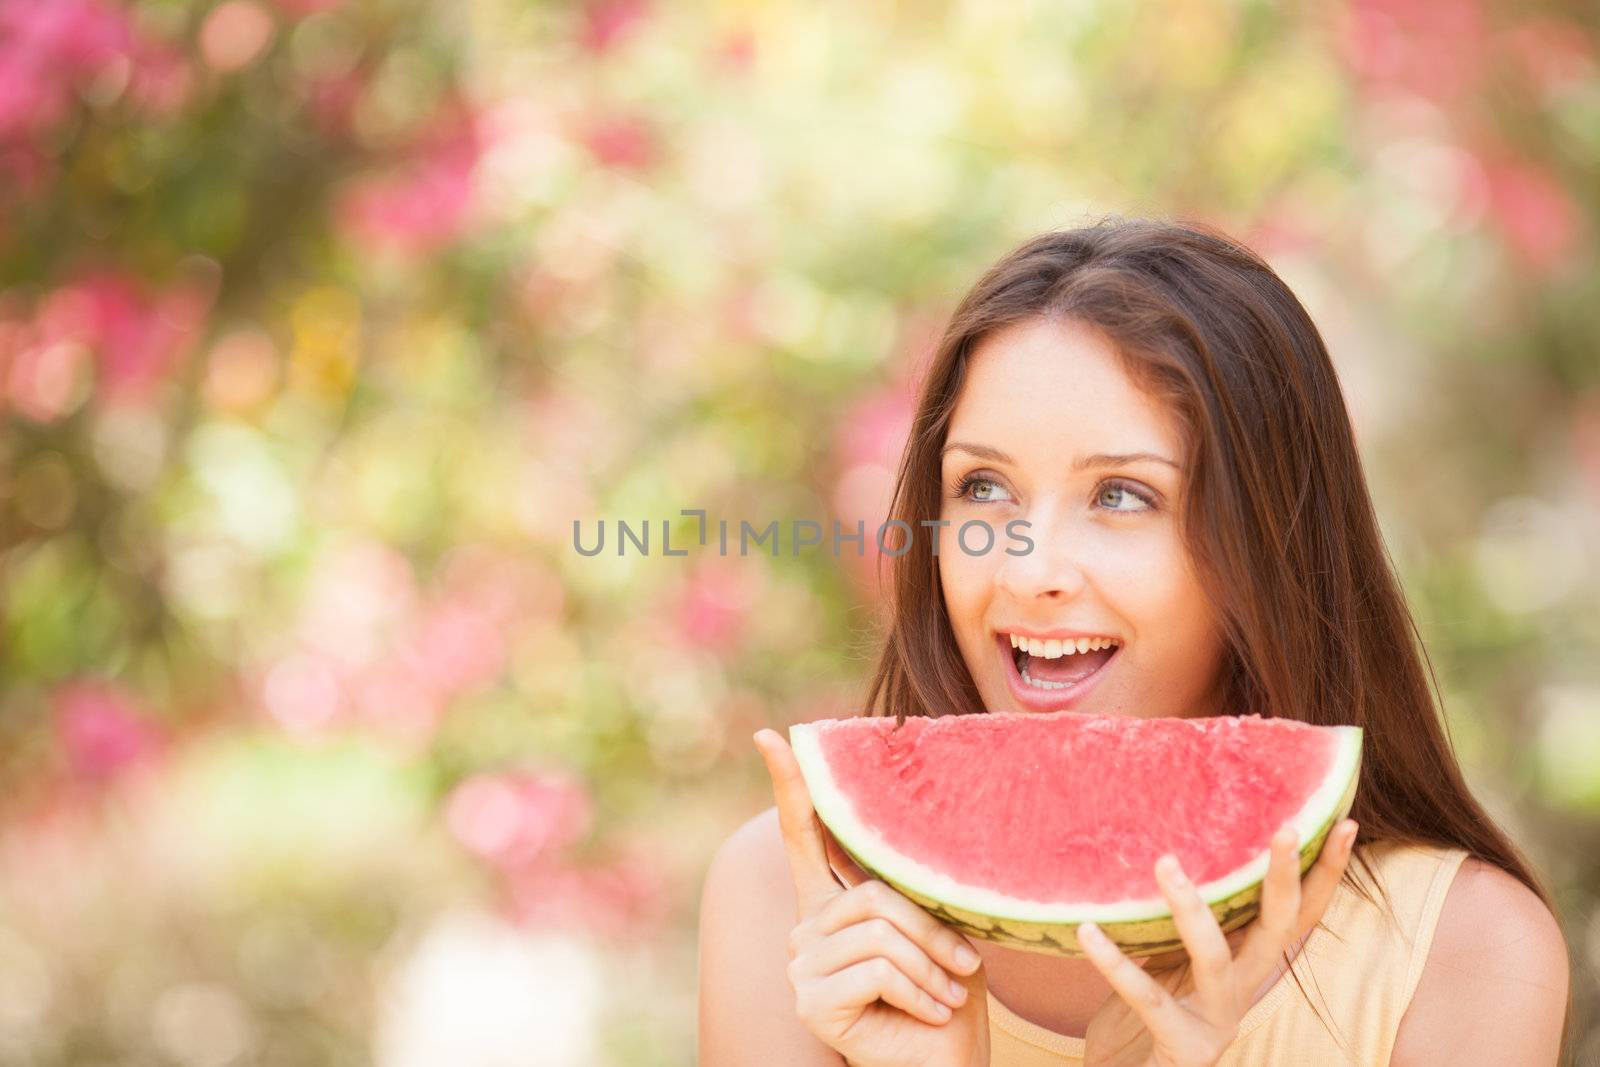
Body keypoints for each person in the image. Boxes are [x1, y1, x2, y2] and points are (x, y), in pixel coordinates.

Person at [698, 217, 1572, 1066]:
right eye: (984, 486)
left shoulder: (1464, 956)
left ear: (1269, 541)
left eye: (1120, 494)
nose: (1027, 569)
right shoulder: (797, 911)